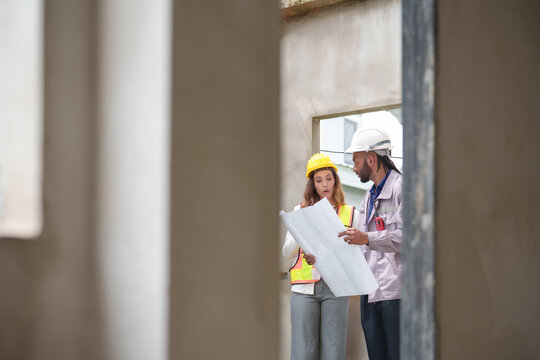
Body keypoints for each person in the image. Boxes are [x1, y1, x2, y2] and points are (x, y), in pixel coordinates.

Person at [282, 153, 360, 360]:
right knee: (303, 353)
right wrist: (302, 227)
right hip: (304, 289)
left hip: (337, 287)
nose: (325, 184)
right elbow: (286, 252)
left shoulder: (352, 214)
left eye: (329, 178)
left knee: (334, 353)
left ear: (335, 180)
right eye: (319, 180)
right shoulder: (300, 210)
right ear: (312, 184)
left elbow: (359, 254)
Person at [339, 127, 402, 360]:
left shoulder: (400, 187)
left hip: (394, 292)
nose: (354, 168)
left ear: (372, 159)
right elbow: (362, 245)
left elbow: (407, 237)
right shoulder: (368, 197)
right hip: (371, 291)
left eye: (356, 162)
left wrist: (367, 238)